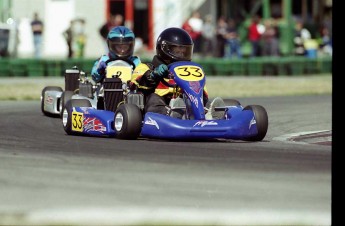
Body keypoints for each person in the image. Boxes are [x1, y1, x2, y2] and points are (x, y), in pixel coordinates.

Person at [130, 27, 224, 119]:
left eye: (184, 51)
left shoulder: (190, 70)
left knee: (199, 98)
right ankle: (171, 114)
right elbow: (136, 83)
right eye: (177, 51)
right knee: (154, 98)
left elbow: (201, 91)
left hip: (184, 99)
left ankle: (208, 113)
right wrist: (154, 75)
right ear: (164, 48)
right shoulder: (146, 66)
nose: (181, 54)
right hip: (159, 102)